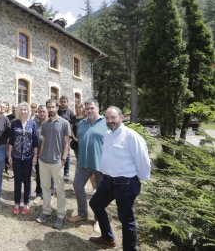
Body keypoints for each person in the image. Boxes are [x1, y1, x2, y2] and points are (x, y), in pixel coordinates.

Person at [89, 106, 151, 250]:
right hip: (109, 180)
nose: (110, 121)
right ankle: (107, 238)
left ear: (121, 117)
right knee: (96, 204)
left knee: (126, 219)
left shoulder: (131, 136)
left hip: (126, 183)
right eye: (107, 118)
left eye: (113, 117)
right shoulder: (107, 134)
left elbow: (143, 161)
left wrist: (139, 180)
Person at [68, 99, 107, 231]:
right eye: (87, 108)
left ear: (98, 108)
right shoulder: (81, 124)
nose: (89, 110)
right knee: (77, 185)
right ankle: (83, 213)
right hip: (84, 162)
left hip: (100, 164)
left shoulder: (105, 122)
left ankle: (98, 219)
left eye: (92, 108)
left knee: (100, 192)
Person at [36, 99, 71, 230]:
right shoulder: (45, 124)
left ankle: (61, 215)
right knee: (45, 188)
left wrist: (63, 160)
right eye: (48, 107)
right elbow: (43, 141)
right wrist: (40, 157)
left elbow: (67, 144)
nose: (50, 110)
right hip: (44, 161)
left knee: (60, 190)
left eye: (52, 107)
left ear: (57, 107)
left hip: (57, 162)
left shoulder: (64, 123)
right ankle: (46, 212)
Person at [8, 102, 39, 215]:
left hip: (28, 157)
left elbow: (35, 141)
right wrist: (9, 155)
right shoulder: (14, 123)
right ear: (18, 111)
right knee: (17, 180)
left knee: (27, 180)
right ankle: (16, 203)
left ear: (28, 111)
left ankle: (26, 203)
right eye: (21, 109)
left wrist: (35, 156)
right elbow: (11, 140)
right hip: (16, 156)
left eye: (25, 109)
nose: (23, 111)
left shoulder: (33, 124)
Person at [57, 96, 76, 182]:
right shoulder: (57, 111)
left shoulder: (71, 113)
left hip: (67, 136)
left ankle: (66, 173)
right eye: (61, 101)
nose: (63, 103)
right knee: (57, 154)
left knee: (67, 155)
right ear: (59, 102)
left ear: (67, 102)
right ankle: (57, 171)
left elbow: (72, 125)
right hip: (57, 136)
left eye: (64, 101)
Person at [32, 105, 48, 205]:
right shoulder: (35, 124)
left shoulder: (51, 123)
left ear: (47, 112)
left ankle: (48, 194)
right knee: (38, 175)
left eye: (43, 111)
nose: (42, 113)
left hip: (49, 154)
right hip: (38, 154)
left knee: (49, 176)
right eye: (40, 111)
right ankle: (39, 193)